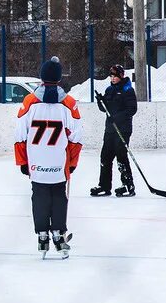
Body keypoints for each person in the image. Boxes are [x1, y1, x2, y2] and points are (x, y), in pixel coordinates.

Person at [14, 57, 82, 259]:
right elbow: (76, 137)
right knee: (59, 196)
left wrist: (23, 161)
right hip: (58, 162)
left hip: (36, 162)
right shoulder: (69, 103)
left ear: (42, 78)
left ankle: (42, 235)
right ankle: (59, 235)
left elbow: (19, 135)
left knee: (39, 196)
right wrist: (72, 162)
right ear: (60, 78)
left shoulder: (29, 102)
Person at [90, 64, 138, 197]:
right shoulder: (109, 90)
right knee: (105, 156)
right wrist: (101, 101)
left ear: (121, 76)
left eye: (115, 76)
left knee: (121, 156)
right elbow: (104, 109)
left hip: (123, 130)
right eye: (111, 76)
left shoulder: (128, 90)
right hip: (110, 130)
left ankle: (128, 185)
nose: (113, 78)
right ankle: (104, 186)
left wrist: (116, 118)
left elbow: (132, 109)